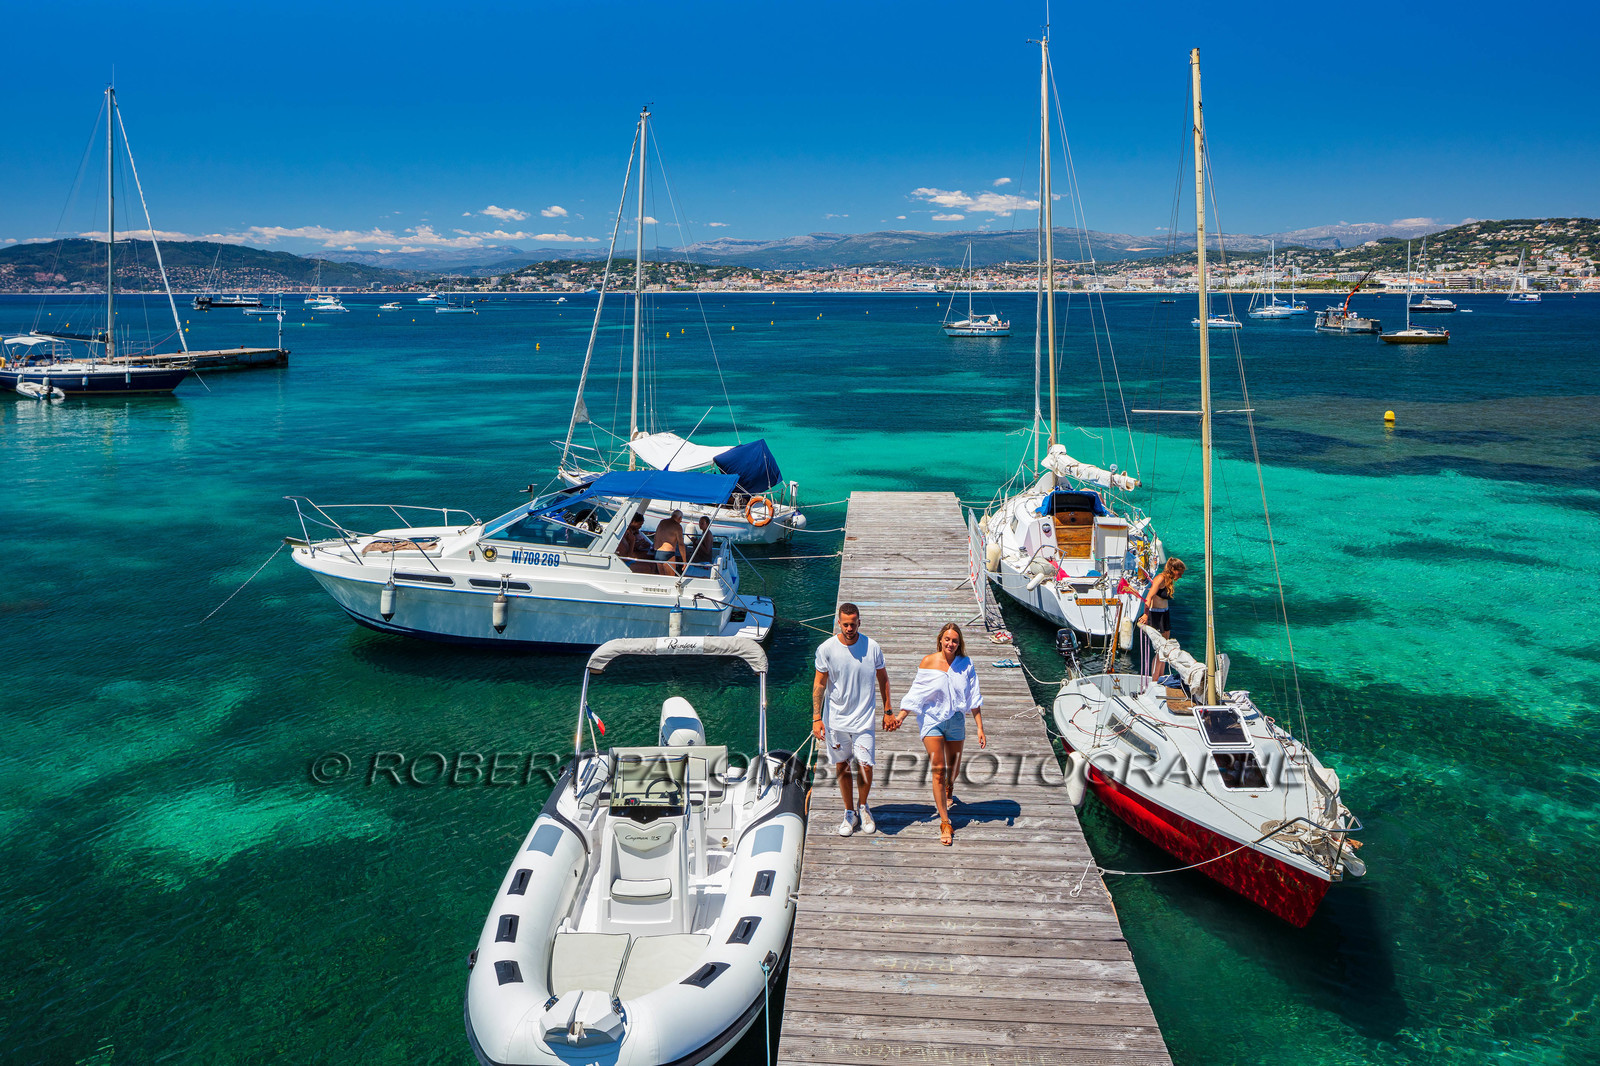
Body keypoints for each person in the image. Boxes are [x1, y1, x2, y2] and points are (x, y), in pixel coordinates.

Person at [891, 623, 985, 846]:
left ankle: (949, 786)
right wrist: (901, 716)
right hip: (932, 720)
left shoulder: (966, 664)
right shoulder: (928, 662)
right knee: (938, 771)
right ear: (940, 640)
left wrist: (980, 727)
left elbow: (974, 697)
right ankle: (945, 822)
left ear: (959, 643)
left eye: (954, 640)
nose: (950, 643)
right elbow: (917, 693)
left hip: (956, 721)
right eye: (947, 639)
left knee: (953, 769)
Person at [813, 603, 892, 837]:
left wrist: (888, 710)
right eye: (845, 624)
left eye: (853, 623)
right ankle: (849, 811)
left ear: (860, 621)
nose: (849, 628)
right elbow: (819, 684)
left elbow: (883, 678)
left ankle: (863, 806)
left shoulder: (873, 647)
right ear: (839, 622)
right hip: (836, 720)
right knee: (843, 766)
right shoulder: (826, 649)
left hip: (864, 719)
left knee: (866, 766)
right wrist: (817, 717)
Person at [1143, 557, 1186, 681]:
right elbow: (1149, 597)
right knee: (1160, 649)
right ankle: (1155, 679)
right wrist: (1145, 614)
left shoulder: (1169, 580)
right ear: (1173, 569)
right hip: (1156, 616)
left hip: (1165, 614)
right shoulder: (1160, 579)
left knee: (1165, 648)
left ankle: (1160, 677)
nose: (1181, 576)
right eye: (1179, 573)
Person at [653, 508, 687, 576]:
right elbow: (681, 544)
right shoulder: (677, 527)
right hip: (668, 554)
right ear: (680, 518)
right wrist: (684, 561)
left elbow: (655, 537)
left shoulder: (662, 522)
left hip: (657, 552)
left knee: (662, 579)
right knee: (670, 579)